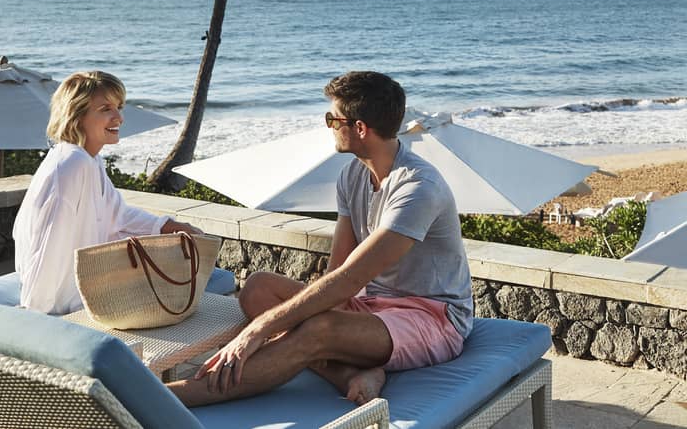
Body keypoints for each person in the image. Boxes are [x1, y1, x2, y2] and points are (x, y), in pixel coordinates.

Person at [169, 71, 473, 407]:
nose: (328, 125)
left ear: (360, 128)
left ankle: (172, 398)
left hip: (430, 317)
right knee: (258, 289)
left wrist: (255, 333)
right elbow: (337, 270)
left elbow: (350, 278)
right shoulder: (353, 175)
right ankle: (355, 373)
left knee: (317, 330)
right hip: (370, 306)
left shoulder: (417, 188)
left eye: (332, 118)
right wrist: (297, 315)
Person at [13, 70, 201, 315]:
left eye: (119, 107)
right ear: (76, 116)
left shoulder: (90, 161)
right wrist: (36, 320)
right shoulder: (71, 165)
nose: (119, 118)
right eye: (105, 109)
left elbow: (118, 215)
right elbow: (49, 248)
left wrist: (170, 226)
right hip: (64, 306)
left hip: (85, 291)